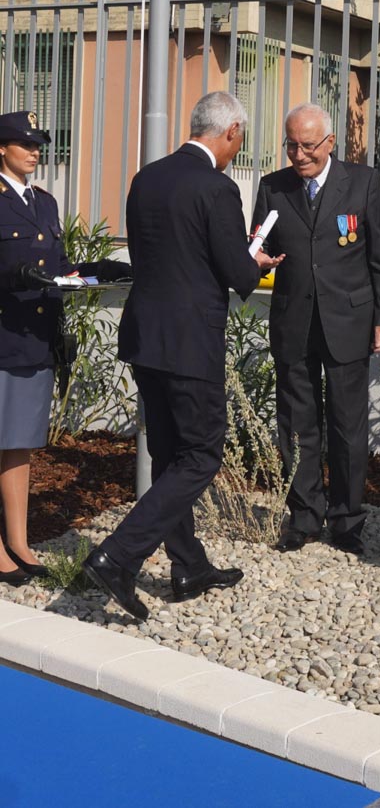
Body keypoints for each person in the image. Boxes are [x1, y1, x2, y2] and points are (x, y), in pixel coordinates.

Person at [84, 91, 284, 620]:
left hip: (147, 336)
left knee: (171, 455)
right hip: (191, 340)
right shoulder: (217, 188)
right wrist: (257, 260)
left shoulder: (146, 178)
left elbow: (169, 254)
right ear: (232, 132)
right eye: (240, 140)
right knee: (200, 455)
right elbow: (238, 275)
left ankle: (188, 564)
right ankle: (118, 556)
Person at [253, 103, 380, 555]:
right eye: (291, 145)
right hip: (294, 322)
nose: (299, 155)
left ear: (330, 143)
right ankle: (304, 516)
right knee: (297, 425)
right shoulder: (272, 187)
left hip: (349, 323)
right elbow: (258, 246)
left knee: (348, 426)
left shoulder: (364, 182)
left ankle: (348, 519)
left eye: (308, 146)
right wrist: (254, 262)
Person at [0, 111, 132, 587]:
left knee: (18, 445)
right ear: (2, 148)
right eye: (26, 144)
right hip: (3, 336)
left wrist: (97, 269)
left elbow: (58, 265)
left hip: (36, 339)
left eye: (40, 145)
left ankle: (17, 540)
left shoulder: (45, 202)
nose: (36, 152)